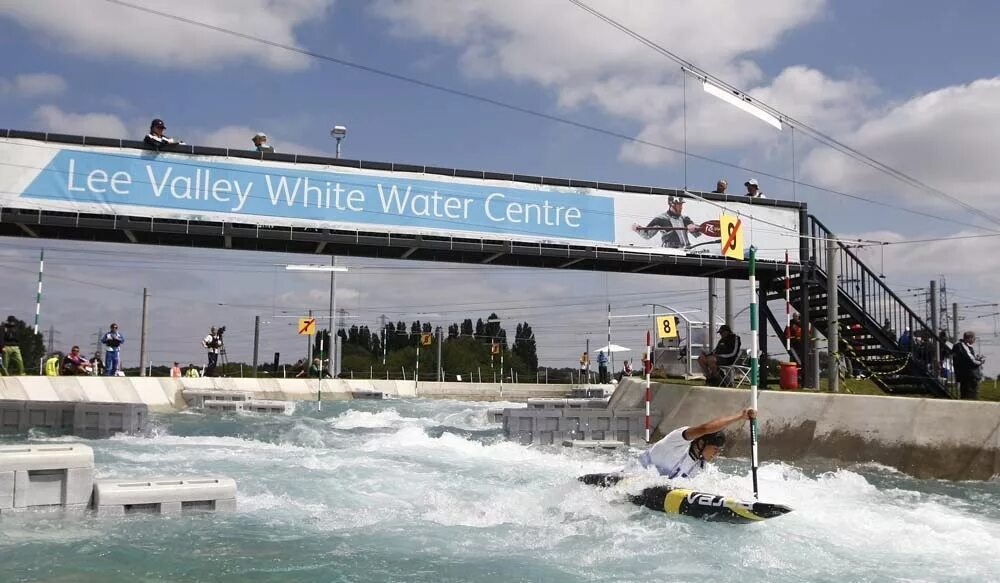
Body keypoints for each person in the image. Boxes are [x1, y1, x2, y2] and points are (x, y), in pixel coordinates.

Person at [639, 408, 756, 478]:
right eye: (715, 449)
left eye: (719, 451)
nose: (717, 454)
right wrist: (740, 416)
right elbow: (705, 429)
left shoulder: (702, 467)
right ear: (701, 443)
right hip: (633, 476)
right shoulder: (677, 441)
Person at [632, 196, 701, 249]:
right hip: (670, 252)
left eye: (681, 205)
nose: (681, 207)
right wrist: (638, 228)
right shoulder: (660, 219)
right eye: (678, 205)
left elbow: (697, 234)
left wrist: (696, 228)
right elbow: (647, 235)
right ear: (672, 205)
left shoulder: (685, 218)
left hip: (686, 251)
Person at [952, 331, 984, 400]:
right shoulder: (962, 345)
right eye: (974, 338)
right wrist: (981, 361)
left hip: (965, 375)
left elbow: (969, 358)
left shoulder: (961, 346)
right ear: (969, 338)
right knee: (972, 396)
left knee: (965, 396)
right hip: (969, 375)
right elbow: (971, 360)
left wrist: (977, 358)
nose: (974, 340)